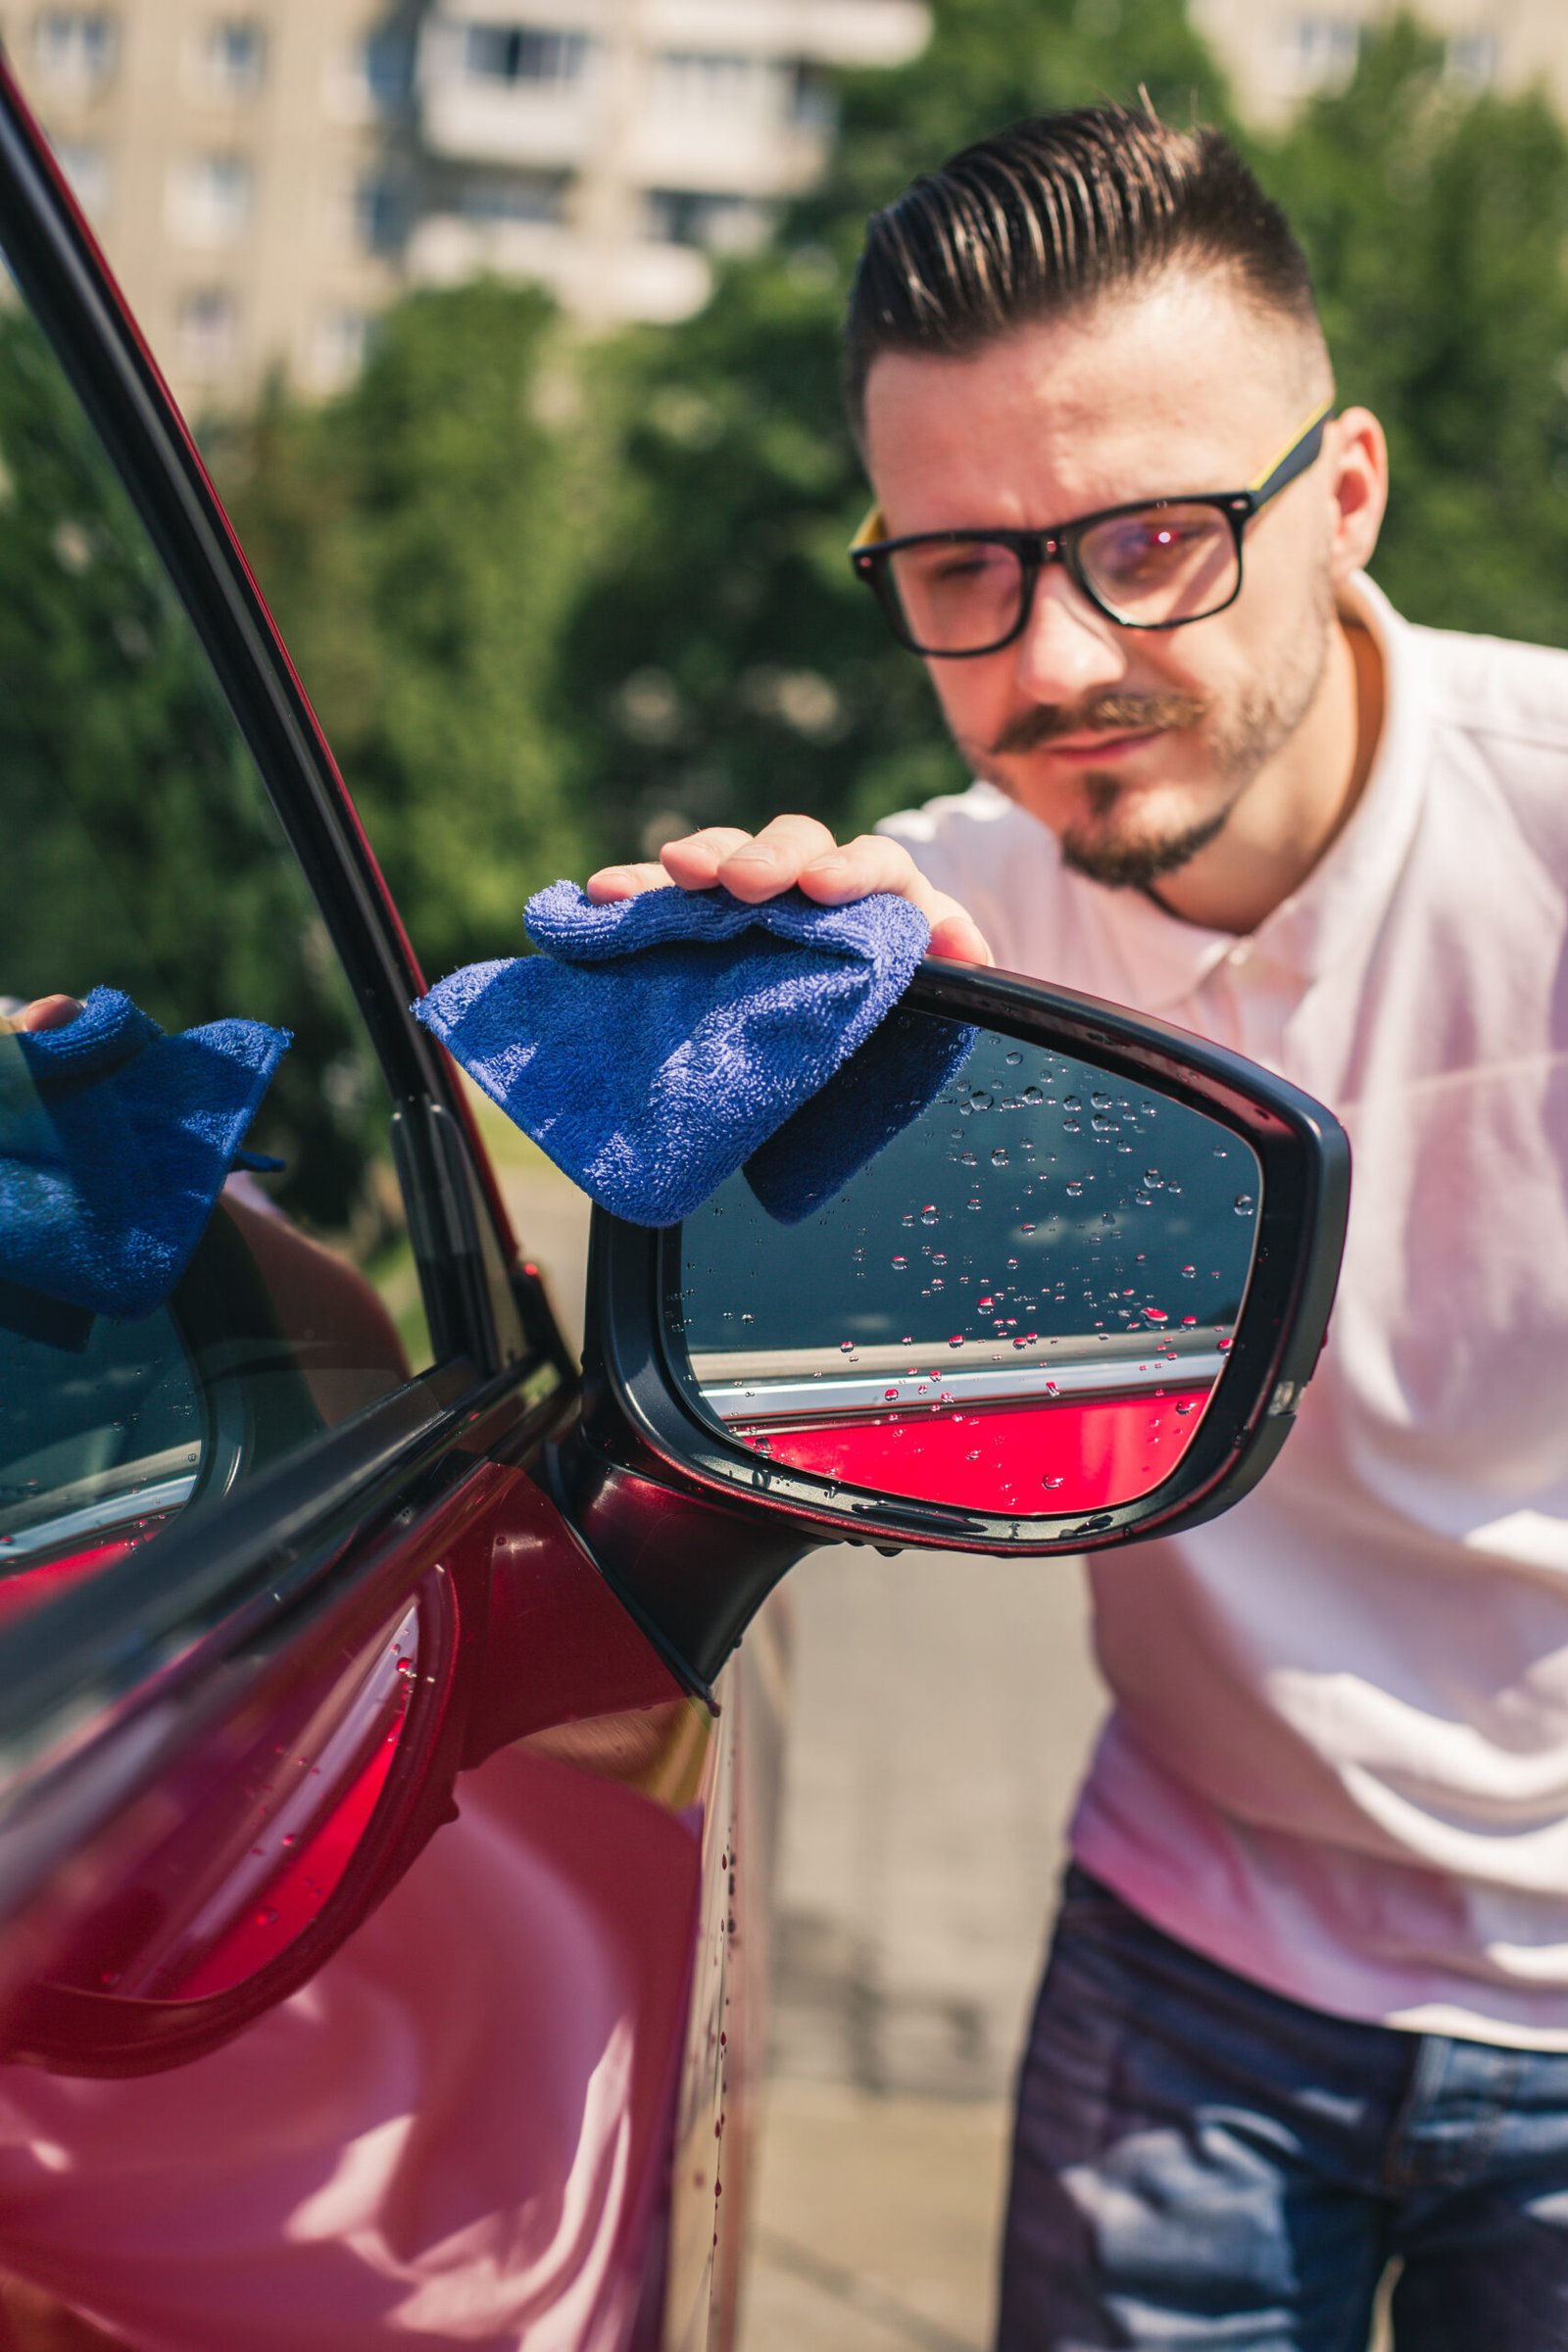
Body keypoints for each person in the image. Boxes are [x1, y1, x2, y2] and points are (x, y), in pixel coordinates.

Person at [587, 105, 1568, 2348]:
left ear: (1340, 498)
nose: (1048, 664)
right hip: (1190, 1965)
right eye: (958, 570)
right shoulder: (939, 944)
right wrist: (743, 1074)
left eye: (1149, 540)